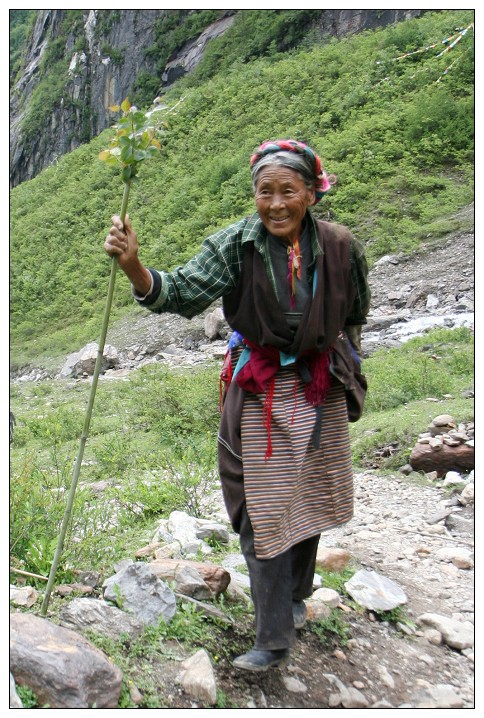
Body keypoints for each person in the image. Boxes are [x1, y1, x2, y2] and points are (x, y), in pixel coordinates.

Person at [104, 139, 370, 672]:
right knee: (259, 508)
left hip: (320, 385)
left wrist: (347, 369)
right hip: (260, 388)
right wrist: (134, 266)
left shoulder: (341, 246)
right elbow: (180, 292)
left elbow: (356, 312)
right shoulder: (237, 245)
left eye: (288, 191)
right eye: (265, 191)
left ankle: (294, 597)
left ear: (311, 194)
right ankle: (273, 638)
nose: (276, 203)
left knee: (310, 492)